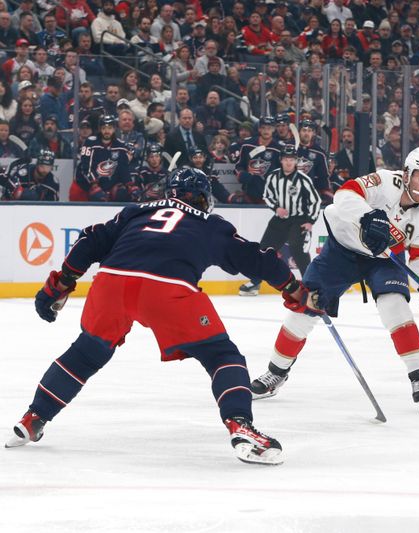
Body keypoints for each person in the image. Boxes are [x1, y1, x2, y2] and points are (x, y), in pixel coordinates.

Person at [5, 167, 319, 464]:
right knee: (222, 355)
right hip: (167, 291)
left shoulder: (137, 212)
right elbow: (257, 258)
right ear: (202, 197)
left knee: (85, 354)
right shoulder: (211, 224)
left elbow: (90, 239)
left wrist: (60, 283)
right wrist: (293, 287)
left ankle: (34, 417)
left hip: (111, 284)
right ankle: (240, 425)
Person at [249, 147, 419, 413]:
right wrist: (367, 217)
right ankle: (276, 372)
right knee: (305, 308)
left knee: (395, 306)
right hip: (341, 252)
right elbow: (345, 194)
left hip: (384, 260)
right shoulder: (385, 181)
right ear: (407, 174)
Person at [239, 144, 321, 295]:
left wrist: (310, 221)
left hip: (299, 219)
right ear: (281, 160)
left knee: (299, 251)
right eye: (286, 159)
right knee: (264, 250)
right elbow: (267, 196)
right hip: (279, 219)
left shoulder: (304, 180)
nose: (289, 162)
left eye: (292, 159)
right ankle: (255, 282)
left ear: (296, 161)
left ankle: (311, 285)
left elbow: (315, 201)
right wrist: (276, 208)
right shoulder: (273, 176)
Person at [70, 115, 132, 202]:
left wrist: (130, 185)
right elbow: (86, 166)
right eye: (104, 128)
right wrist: (94, 184)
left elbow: (123, 168)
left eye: (109, 128)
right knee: (95, 196)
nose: (107, 131)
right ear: (99, 129)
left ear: (114, 129)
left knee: (122, 194)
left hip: (107, 185)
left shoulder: (121, 146)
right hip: (85, 184)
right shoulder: (90, 143)